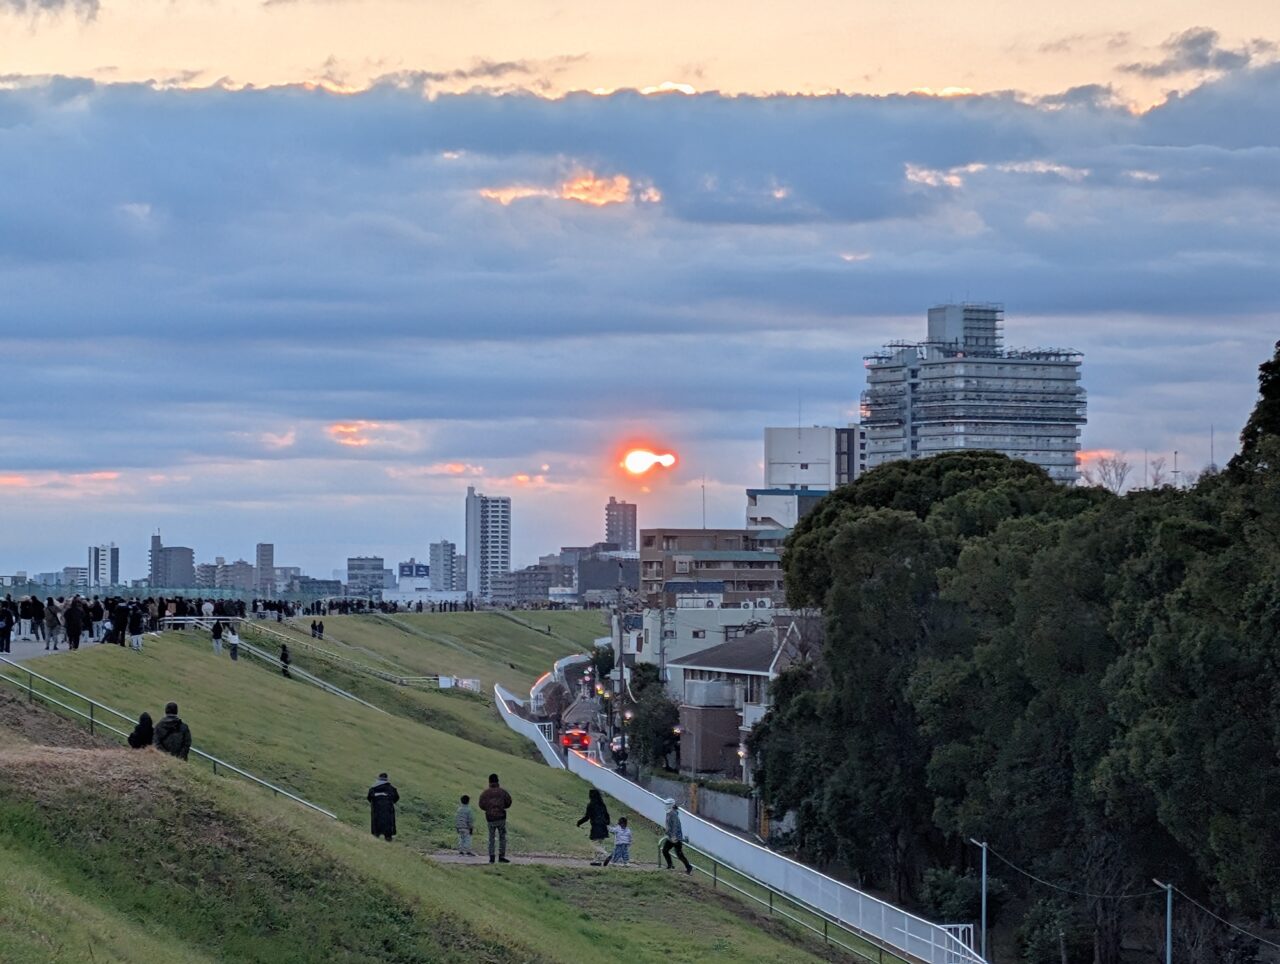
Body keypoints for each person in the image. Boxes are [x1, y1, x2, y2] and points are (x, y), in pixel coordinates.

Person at [478, 773, 512, 864]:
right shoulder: (503, 792)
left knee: (491, 838)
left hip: (490, 818)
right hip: (501, 818)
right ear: (497, 781)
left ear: (489, 782)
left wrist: (488, 809)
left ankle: (491, 857)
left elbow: (481, 805)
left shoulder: (485, 793)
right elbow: (509, 802)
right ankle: (501, 856)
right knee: (502, 837)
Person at [576, 787, 611, 865]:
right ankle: (597, 861)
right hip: (603, 826)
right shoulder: (602, 804)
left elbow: (587, 817)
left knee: (594, 844)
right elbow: (607, 815)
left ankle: (606, 855)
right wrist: (607, 822)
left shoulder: (591, 805)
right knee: (599, 843)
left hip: (596, 826)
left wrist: (579, 822)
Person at [661, 798, 693, 874]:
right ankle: (670, 865)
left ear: (671, 805)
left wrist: (674, 836)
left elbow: (676, 826)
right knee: (665, 850)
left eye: (667, 805)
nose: (666, 806)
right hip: (670, 837)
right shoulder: (669, 812)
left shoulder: (674, 814)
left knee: (679, 854)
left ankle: (689, 867)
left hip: (676, 838)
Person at [367, 773, 399, 842]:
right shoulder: (391, 788)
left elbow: (369, 797)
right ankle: (388, 838)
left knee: (376, 823)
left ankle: (376, 836)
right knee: (388, 823)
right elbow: (396, 797)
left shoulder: (373, 788)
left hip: (376, 809)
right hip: (388, 809)